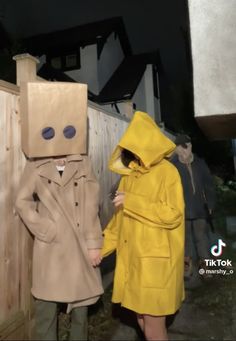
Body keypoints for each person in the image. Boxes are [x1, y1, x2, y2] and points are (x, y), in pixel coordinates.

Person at [15, 82, 103, 340]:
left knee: (81, 313)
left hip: (78, 246)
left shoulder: (83, 162)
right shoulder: (34, 166)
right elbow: (22, 201)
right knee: (45, 309)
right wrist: (45, 228)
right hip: (51, 249)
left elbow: (91, 204)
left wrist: (93, 242)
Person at [102, 111, 185, 341]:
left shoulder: (168, 172)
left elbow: (173, 214)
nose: (133, 153)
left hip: (155, 266)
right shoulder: (130, 176)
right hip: (134, 263)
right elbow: (119, 221)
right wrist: (99, 250)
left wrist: (132, 201)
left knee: (153, 326)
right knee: (141, 318)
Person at [172, 134, 216, 278]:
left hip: (199, 209)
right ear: (176, 149)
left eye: (188, 147)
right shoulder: (172, 166)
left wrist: (210, 204)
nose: (185, 152)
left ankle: (205, 267)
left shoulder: (199, 163)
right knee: (185, 239)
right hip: (181, 210)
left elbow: (209, 185)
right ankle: (187, 268)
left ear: (191, 146)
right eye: (182, 149)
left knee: (201, 237)